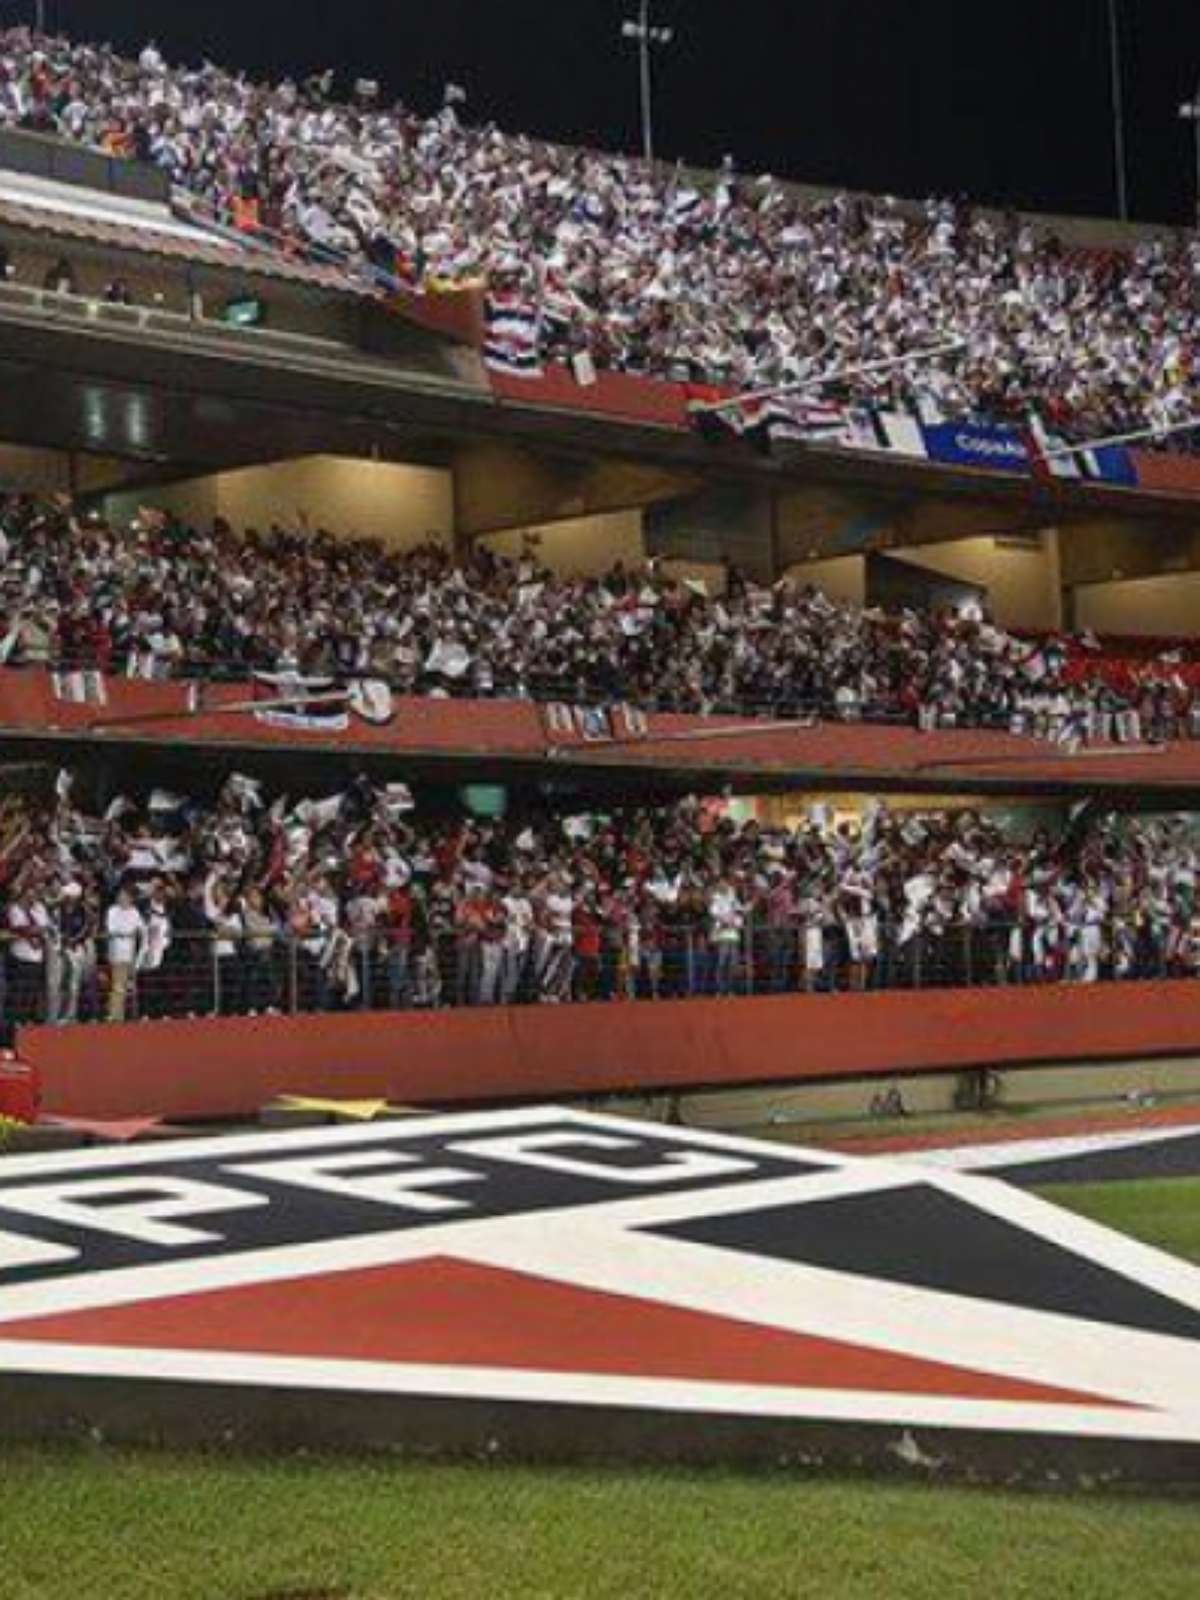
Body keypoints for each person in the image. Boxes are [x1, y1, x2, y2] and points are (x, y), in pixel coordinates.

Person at [105, 885, 145, 1021]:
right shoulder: (112, 910)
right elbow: (112, 929)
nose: (121, 897)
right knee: (118, 984)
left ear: (131, 898)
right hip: (117, 950)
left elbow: (141, 928)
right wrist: (128, 933)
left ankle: (131, 1014)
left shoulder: (135, 912)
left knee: (130, 985)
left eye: (124, 895)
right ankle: (116, 1014)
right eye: (120, 895)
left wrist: (135, 934)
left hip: (132, 952)